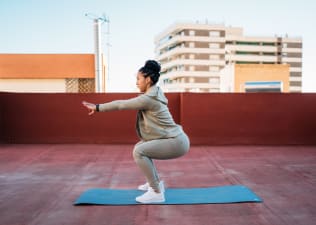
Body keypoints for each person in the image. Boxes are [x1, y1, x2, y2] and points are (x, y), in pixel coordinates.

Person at [82, 60, 190, 203]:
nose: (137, 83)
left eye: (139, 79)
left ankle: (156, 192)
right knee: (140, 147)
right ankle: (155, 183)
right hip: (176, 138)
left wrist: (97, 107)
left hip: (176, 142)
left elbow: (121, 104)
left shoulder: (149, 99)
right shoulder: (155, 92)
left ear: (148, 80)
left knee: (139, 152)